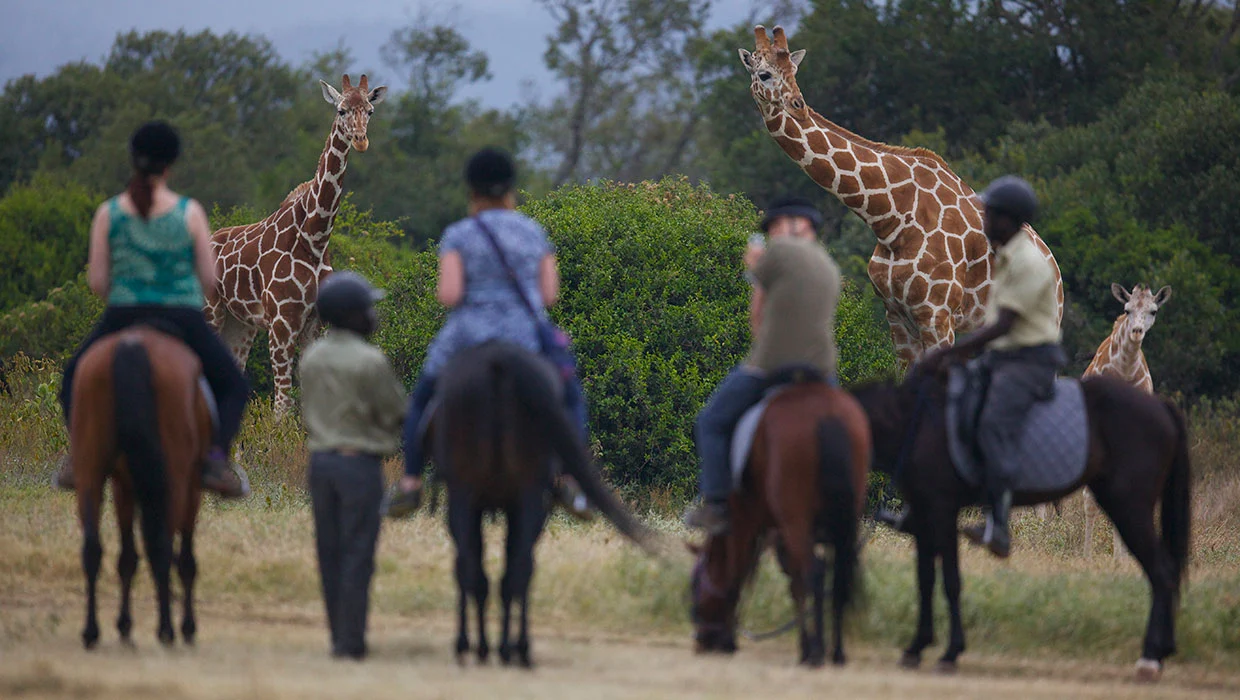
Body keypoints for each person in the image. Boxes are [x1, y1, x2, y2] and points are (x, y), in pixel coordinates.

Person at [384, 147, 592, 519]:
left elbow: (448, 295)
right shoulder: (533, 232)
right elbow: (550, 295)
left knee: (421, 398)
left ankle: (411, 483)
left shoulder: (459, 234)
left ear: (472, 189)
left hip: (468, 335)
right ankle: (570, 480)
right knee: (572, 397)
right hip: (525, 337)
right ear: (511, 187)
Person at [54, 121, 250, 498]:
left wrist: (133, 290)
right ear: (170, 164)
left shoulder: (109, 213)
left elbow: (97, 282)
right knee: (234, 386)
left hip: (123, 314)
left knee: (71, 378)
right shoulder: (189, 213)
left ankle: (78, 457)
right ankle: (215, 461)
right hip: (182, 316)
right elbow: (210, 280)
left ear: (133, 160)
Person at [917, 175, 1065, 558]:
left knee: (992, 424)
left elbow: (1003, 325)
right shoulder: (1005, 257)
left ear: (1009, 219)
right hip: (1004, 356)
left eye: (990, 214)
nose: (982, 219)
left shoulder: (1029, 262)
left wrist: (948, 353)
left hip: (1030, 360)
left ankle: (999, 525)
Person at [684, 196, 842, 535]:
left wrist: (754, 263)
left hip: (772, 363)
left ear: (791, 225)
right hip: (824, 370)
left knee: (711, 422)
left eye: (773, 226)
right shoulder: (829, 264)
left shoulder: (776, 252)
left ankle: (716, 505)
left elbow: (757, 314)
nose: (771, 234)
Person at [299, 271, 405, 660]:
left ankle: (336, 636)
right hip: (359, 467)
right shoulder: (370, 360)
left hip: (321, 465)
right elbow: (395, 410)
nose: (372, 315)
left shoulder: (310, 357)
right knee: (358, 552)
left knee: (328, 551)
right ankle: (352, 640)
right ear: (352, 315)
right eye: (367, 308)